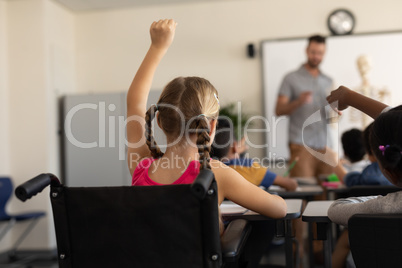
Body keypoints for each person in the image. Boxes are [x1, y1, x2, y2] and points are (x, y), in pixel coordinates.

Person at [126, 19, 287, 238]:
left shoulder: (140, 166)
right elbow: (280, 209)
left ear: (160, 122)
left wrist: (157, 47)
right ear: (212, 126)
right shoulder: (216, 174)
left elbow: (134, 103)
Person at [326, 85, 402, 225]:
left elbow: (335, 210)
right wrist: (350, 96)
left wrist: (377, 201)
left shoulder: (387, 206)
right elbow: (396, 122)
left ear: (390, 173)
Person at [275, 35, 336, 178]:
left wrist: (336, 112)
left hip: (325, 145)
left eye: (320, 53)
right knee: (303, 190)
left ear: (324, 53)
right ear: (306, 51)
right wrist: (298, 101)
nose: (316, 56)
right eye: (313, 52)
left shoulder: (329, 81)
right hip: (301, 145)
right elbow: (279, 110)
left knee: (328, 193)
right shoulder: (291, 78)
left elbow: (331, 115)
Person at [211, 117, 298, 191]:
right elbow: (291, 185)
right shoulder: (249, 167)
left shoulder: (207, 169)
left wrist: (236, 151)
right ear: (234, 146)